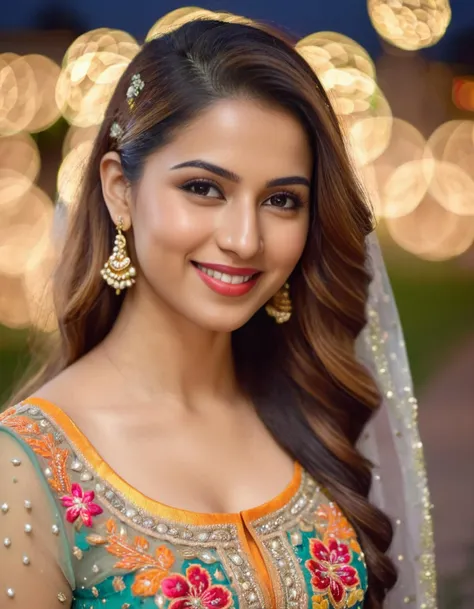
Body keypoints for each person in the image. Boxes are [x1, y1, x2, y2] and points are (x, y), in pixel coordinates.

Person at [0, 16, 436, 609]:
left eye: (281, 200)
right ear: (119, 190)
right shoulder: (27, 468)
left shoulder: (316, 416)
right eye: (204, 188)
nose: (244, 239)